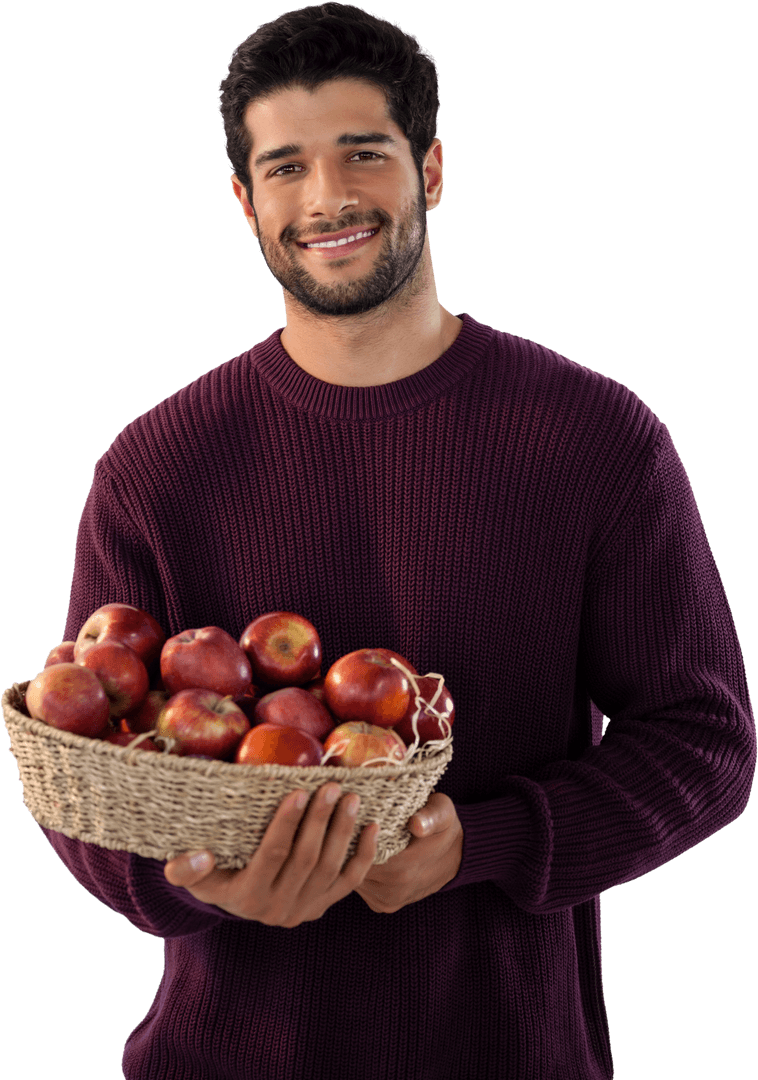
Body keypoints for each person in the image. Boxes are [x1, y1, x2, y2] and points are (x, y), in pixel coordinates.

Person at [39, 4, 756, 1079]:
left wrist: (486, 843)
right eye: (285, 168)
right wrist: (194, 877)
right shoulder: (155, 468)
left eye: (361, 155)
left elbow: (704, 740)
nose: (325, 198)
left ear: (428, 171)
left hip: (510, 1055)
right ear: (243, 203)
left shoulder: (594, 437)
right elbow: (88, 786)